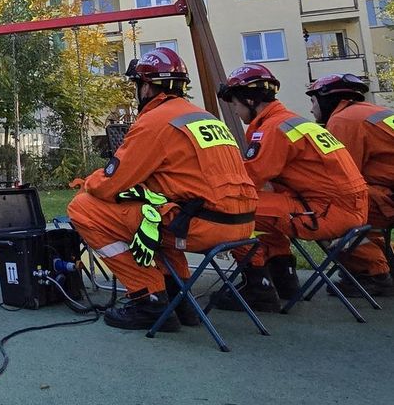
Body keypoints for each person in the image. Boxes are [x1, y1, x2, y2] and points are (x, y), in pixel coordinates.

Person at [67, 47, 258, 331]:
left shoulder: (155, 122)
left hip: (201, 225)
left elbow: (112, 184)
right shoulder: (204, 117)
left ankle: (149, 299)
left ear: (145, 87)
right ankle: (179, 300)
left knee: (83, 208)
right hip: (242, 225)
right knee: (158, 213)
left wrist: (88, 183)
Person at [215, 64, 369, 311]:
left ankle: (258, 287)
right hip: (341, 206)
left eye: (234, 103)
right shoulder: (290, 122)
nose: (234, 109)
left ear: (249, 99)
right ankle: (283, 275)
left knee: (233, 209)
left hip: (327, 211)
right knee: (262, 207)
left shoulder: (273, 129)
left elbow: (248, 181)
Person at [305, 73, 394, 296]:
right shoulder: (374, 112)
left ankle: (371, 273)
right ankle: (384, 263)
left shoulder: (344, 121)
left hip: (387, 197)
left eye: (313, 101)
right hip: (387, 191)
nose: (311, 110)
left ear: (327, 99)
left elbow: (342, 179)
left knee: (325, 214)